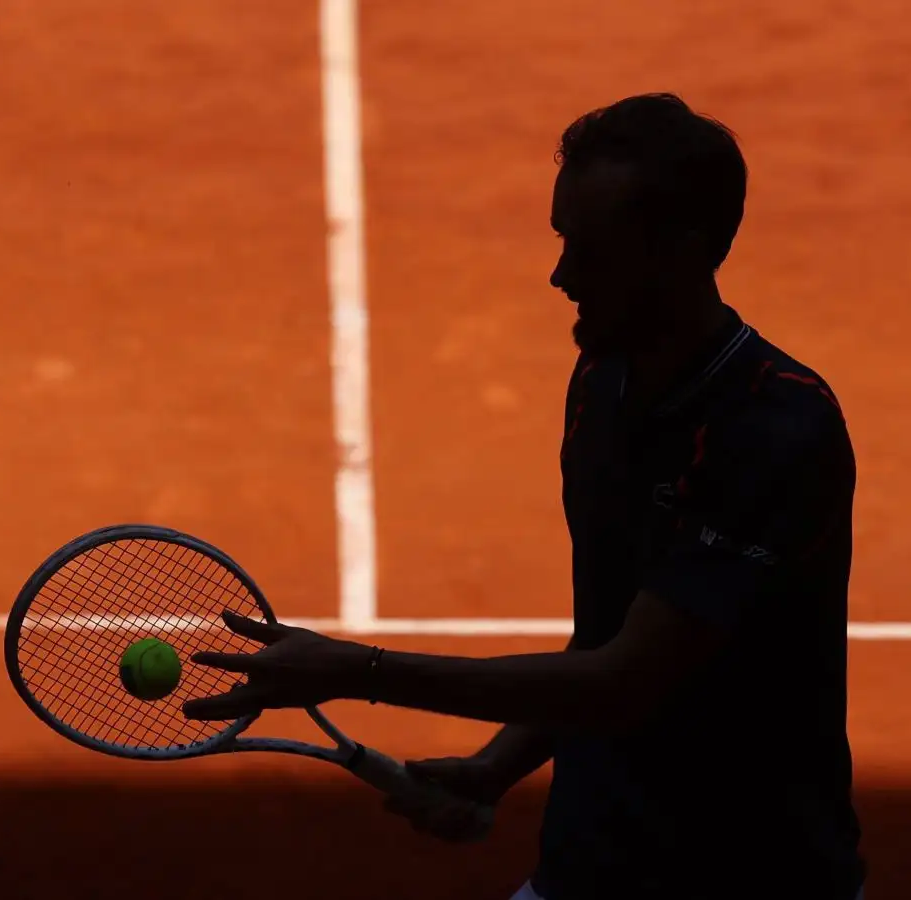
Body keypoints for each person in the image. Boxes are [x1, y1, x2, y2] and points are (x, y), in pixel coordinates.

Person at [184, 93, 865, 900]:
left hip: (750, 874)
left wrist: (353, 668)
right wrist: (495, 766)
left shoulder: (774, 429)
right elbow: (604, 634)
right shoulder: (603, 377)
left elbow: (623, 680)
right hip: (594, 863)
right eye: (560, 239)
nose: (561, 276)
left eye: (593, 251)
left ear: (681, 253)